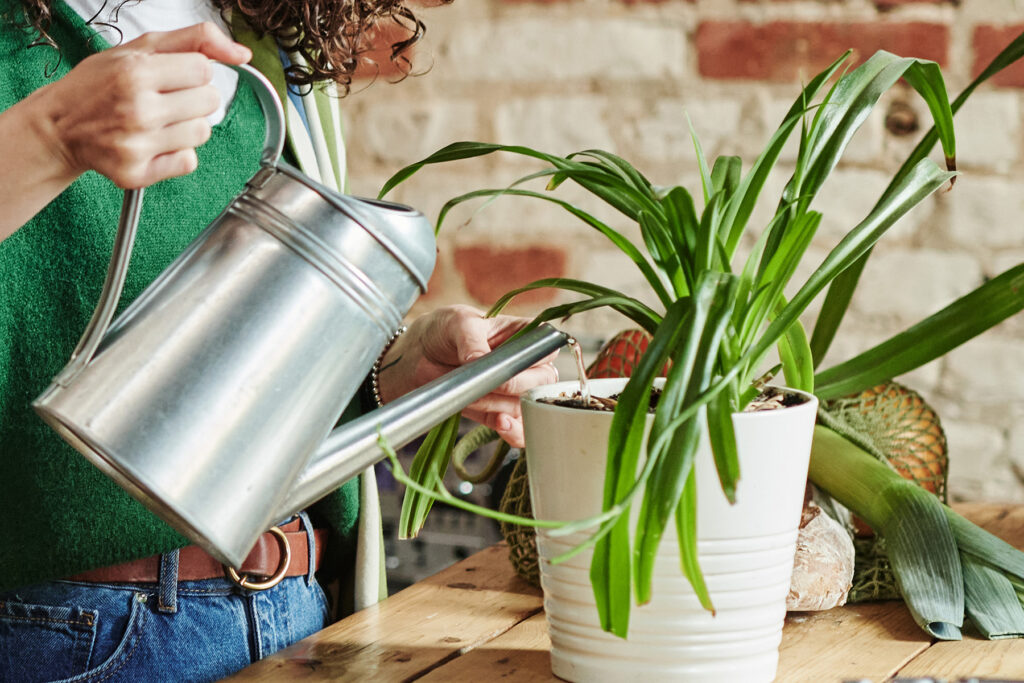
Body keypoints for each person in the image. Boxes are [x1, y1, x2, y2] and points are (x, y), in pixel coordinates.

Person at [0, 1, 558, 681]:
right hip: (77, 632)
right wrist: (48, 134)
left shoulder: (261, 39)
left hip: (300, 607)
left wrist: (403, 364)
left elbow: (241, 371)